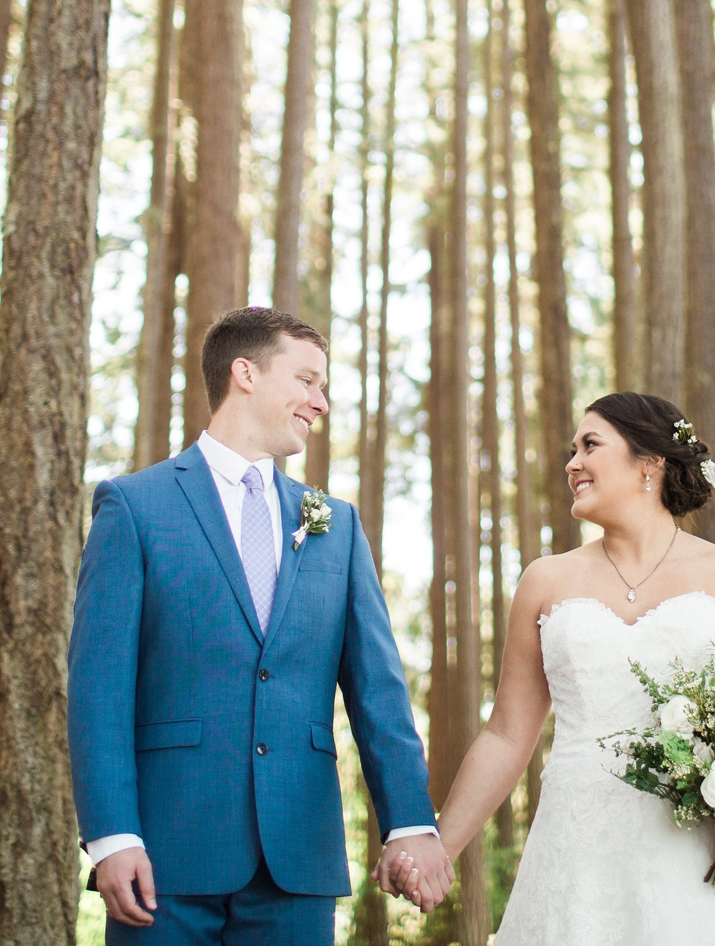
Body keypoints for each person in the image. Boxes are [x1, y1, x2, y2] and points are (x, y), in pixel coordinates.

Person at [68, 307, 453, 945]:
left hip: (297, 859)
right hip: (163, 858)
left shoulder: (336, 523)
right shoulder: (134, 505)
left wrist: (409, 822)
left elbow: (377, 691)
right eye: (307, 380)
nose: (319, 401)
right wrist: (112, 834)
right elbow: (99, 687)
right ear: (244, 372)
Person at [390, 391, 715, 945]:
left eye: (590, 445)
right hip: (576, 860)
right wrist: (438, 847)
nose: (572, 463)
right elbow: (506, 735)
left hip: (700, 860)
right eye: (572, 450)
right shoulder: (545, 581)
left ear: (651, 463)